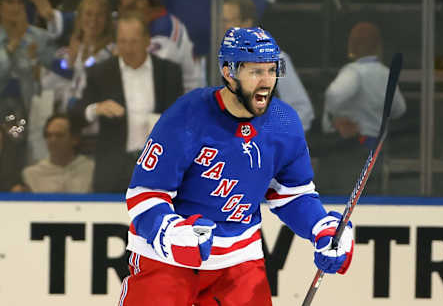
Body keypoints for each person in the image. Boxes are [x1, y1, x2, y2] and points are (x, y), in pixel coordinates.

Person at [117, 27, 354, 305]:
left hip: (238, 263)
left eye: (271, 70)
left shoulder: (284, 122)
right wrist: (171, 232)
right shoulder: (188, 115)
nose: (267, 81)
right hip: (167, 260)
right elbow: (144, 195)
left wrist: (321, 227)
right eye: (255, 72)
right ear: (229, 73)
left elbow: (292, 195)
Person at [71, 11, 183, 193]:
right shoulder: (101, 73)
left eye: (133, 42)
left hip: (158, 166)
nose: (128, 49)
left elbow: (182, 117)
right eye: (122, 42)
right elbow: (76, 114)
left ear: (147, 41)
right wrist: (96, 108)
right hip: (113, 168)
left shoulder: (169, 72)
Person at [319, 22, 406, 194]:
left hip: (354, 148)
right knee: (371, 197)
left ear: (352, 46)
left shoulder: (354, 72)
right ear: (378, 46)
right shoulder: (386, 73)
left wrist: (334, 119)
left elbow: (333, 94)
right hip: (377, 148)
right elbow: (399, 108)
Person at [222, 0, 314, 132]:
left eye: (226, 21)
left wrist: (272, 138)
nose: (220, 26)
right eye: (219, 20)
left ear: (246, 24)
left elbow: (303, 111)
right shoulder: (212, 62)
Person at [19, 113, 94, 193]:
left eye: (59, 135)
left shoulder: (91, 170)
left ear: (75, 139)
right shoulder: (31, 175)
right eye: (49, 135)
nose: (52, 141)